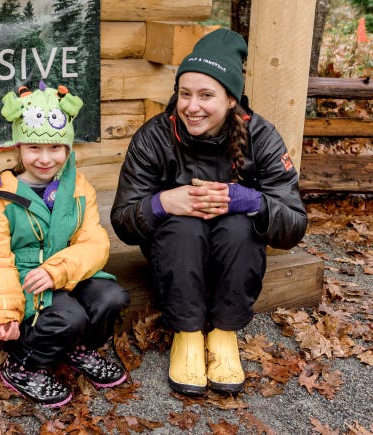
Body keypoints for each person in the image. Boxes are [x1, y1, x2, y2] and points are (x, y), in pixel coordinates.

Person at [110, 28, 307, 396]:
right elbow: (123, 219)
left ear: (231, 99)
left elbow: (294, 224)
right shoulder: (153, 137)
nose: (192, 106)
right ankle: (186, 335)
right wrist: (162, 203)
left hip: (235, 252)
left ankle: (223, 334)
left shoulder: (261, 136)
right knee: (182, 224)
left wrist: (251, 201)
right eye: (184, 94)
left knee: (239, 226)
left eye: (206, 95)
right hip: (175, 252)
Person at [0, 81, 130, 407]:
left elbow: (94, 241)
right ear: (18, 148)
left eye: (55, 148)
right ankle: (23, 364)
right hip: (24, 281)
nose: (44, 158)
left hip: (66, 271)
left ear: (68, 149)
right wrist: (1, 310)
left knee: (112, 296)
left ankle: (78, 349)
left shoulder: (79, 187)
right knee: (68, 316)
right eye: (33, 148)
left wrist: (58, 270)